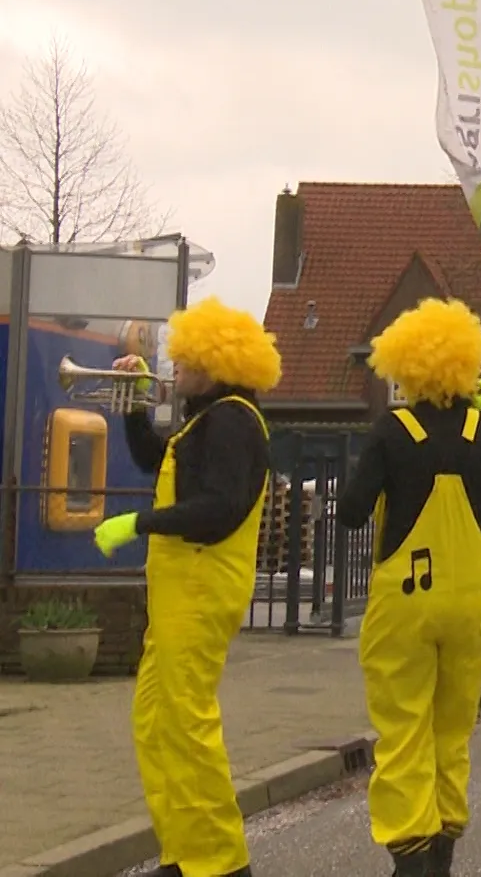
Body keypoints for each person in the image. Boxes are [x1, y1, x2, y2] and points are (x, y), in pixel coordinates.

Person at [335, 299, 481, 877]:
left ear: (406, 368)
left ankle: (410, 851)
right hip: (475, 599)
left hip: (408, 599)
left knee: (404, 726)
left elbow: (350, 513)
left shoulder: (394, 431)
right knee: (452, 726)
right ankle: (444, 845)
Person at [91, 299, 279, 877]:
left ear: (217, 365)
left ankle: (221, 859)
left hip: (200, 590)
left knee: (188, 725)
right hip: (178, 595)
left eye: (187, 361)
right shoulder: (207, 418)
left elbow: (218, 509)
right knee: (156, 722)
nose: (176, 368)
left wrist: (139, 523)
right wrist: (132, 407)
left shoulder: (232, 421)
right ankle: (184, 847)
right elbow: (157, 458)